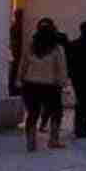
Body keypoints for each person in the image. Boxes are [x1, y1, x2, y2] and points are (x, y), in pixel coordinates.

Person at [18, 18, 68, 151]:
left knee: (32, 114)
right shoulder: (57, 48)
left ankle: (31, 142)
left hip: (30, 85)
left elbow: (23, 65)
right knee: (56, 112)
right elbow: (61, 68)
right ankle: (53, 140)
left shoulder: (31, 46)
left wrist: (19, 79)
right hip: (50, 86)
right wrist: (64, 83)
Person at [7, 8, 23, 98]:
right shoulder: (15, 27)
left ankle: (14, 88)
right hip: (16, 52)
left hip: (18, 51)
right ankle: (13, 88)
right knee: (14, 70)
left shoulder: (20, 26)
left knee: (15, 70)